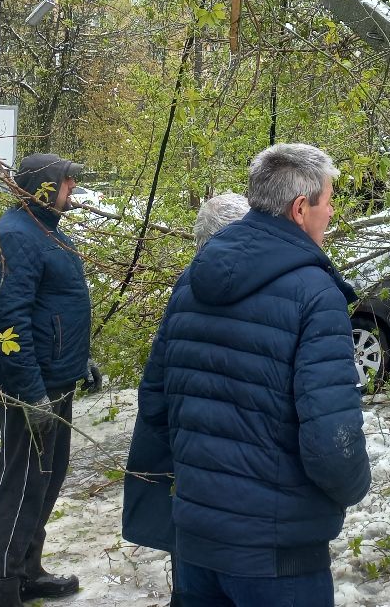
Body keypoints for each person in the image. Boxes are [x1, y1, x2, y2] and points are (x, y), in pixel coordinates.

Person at [137, 144, 370, 607]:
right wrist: (352, 486)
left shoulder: (191, 279)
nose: (333, 212)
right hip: (277, 552)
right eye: (328, 201)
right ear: (300, 209)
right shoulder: (316, 293)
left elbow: (156, 405)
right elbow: (331, 438)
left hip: (195, 539)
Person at [0, 154, 101, 607]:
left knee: (47, 479)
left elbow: (57, 306)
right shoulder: (12, 235)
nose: (73, 187)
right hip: (32, 388)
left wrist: (80, 359)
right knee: (24, 481)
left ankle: (27, 569)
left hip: (57, 379)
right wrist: (29, 393)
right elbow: (7, 322)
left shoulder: (45, 228)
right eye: (67, 180)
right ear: (43, 184)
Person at [122, 192, 251, 606]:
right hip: (251, 486)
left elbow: (154, 393)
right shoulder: (279, 287)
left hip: (192, 478)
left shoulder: (186, 289)